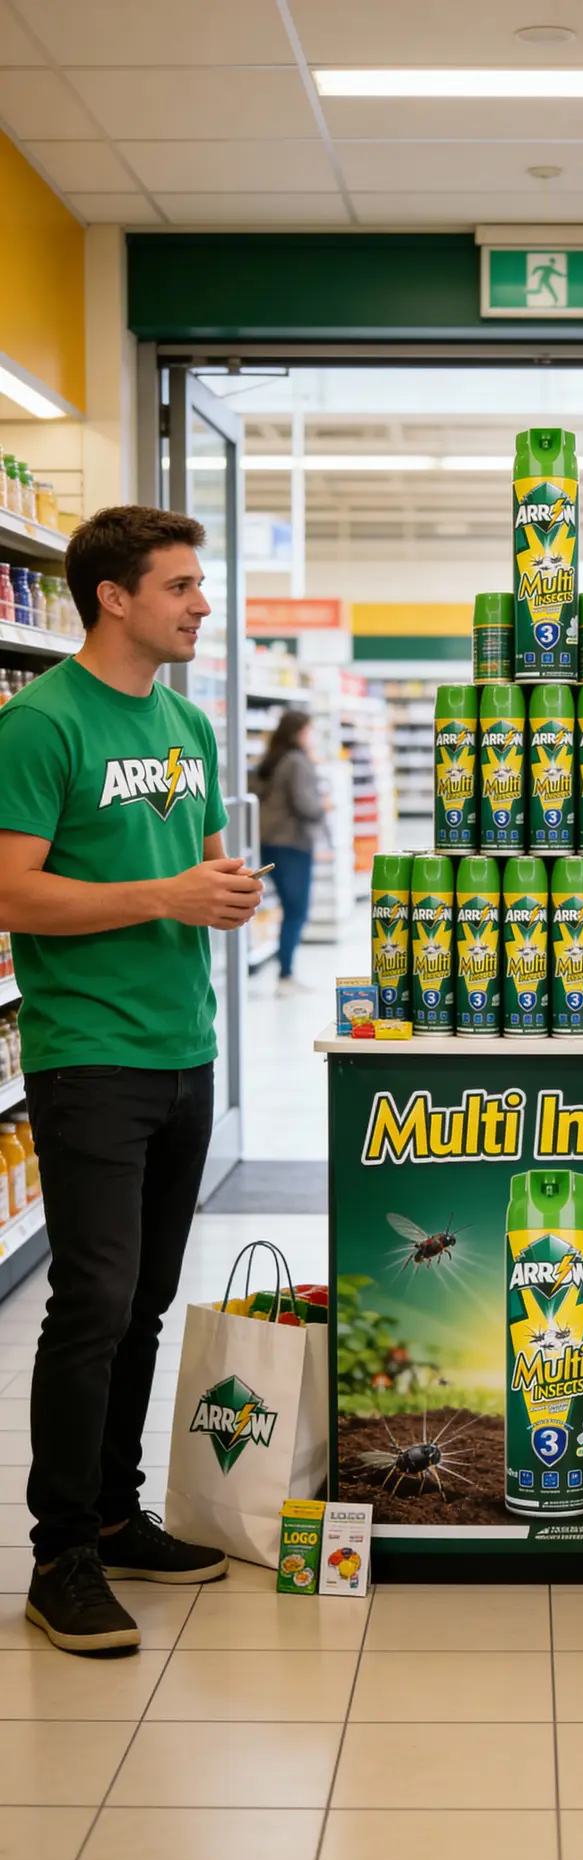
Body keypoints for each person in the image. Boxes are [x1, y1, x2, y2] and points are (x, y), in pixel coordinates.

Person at [0, 505, 265, 1655]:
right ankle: (59, 1555)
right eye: (180, 586)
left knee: (149, 1296)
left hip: (181, 1044)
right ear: (113, 596)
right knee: (94, 1302)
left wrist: (218, 879)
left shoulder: (186, 722)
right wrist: (164, 897)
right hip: (88, 1048)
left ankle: (114, 1510)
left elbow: (191, 851)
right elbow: (12, 894)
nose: (200, 603)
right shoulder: (39, 722)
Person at [253, 708, 326, 997]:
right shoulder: (297, 761)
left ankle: (286, 972)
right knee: (297, 910)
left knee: (288, 906)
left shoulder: (271, 760)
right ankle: (285, 975)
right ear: (299, 733)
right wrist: (324, 808)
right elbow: (305, 805)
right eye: (309, 731)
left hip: (270, 840)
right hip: (293, 842)